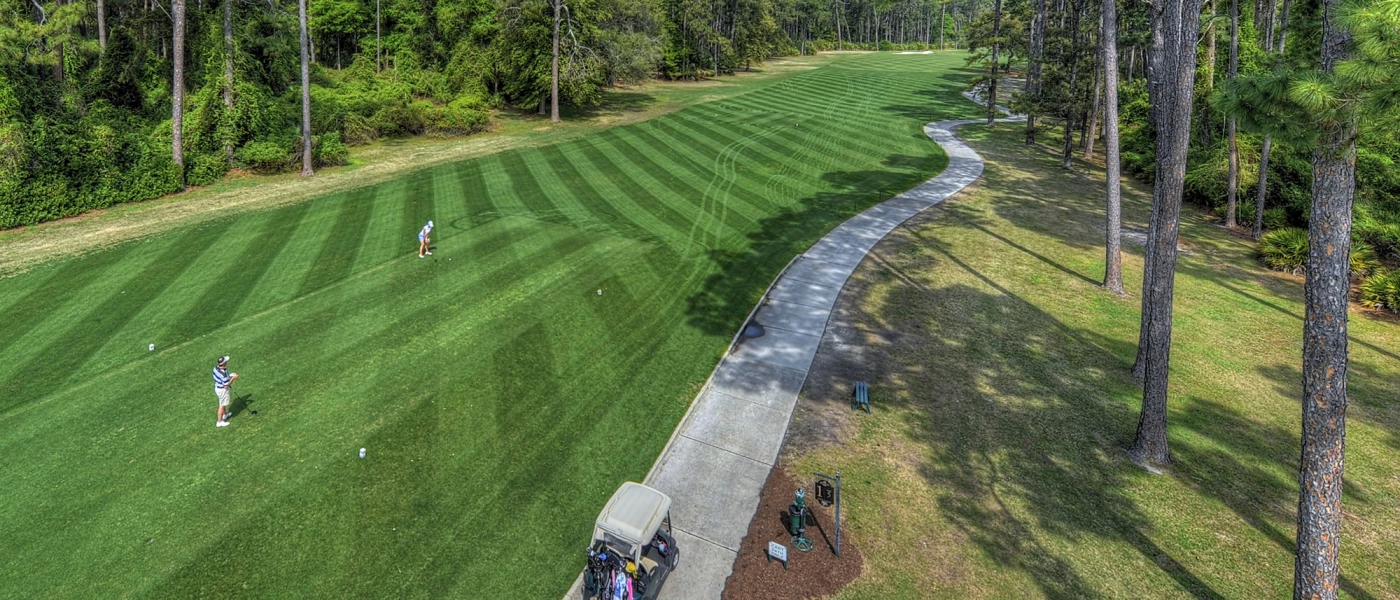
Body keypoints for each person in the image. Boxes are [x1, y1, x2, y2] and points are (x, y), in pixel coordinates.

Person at [213, 355, 238, 427]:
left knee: (222, 402)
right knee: (222, 405)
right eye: (226, 361)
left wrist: (229, 376)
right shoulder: (223, 374)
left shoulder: (216, 368)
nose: (227, 361)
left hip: (217, 387)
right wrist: (233, 378)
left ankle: (225, 415)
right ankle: (219, 422)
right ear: (224, 363)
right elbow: (226, 385)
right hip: (222, 390)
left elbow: (222, 378)